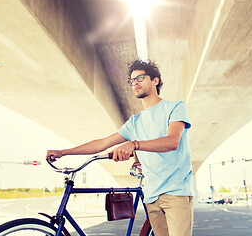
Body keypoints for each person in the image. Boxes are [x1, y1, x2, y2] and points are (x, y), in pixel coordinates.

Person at [46, 59, 194, 236]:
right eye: (132, 80)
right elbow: (101, 143)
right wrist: (64, 152)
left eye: (141, 77)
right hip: (151, 195)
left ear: (155, 80)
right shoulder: (134, 123)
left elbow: (172, 142)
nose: (135, 83)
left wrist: (134, 144)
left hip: (176, 192)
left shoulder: (175, 107)